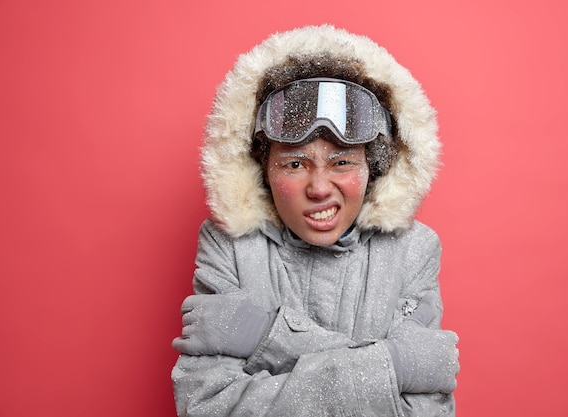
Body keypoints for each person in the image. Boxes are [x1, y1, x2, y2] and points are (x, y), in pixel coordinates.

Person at [171, 25, 459, 417]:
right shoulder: (231, 246)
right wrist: (398, 366)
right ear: (263, 172)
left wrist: (264, 335)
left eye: (342, 162)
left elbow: (425, 412)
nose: (320, 188)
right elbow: (206, 406)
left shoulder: (415, 250)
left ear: (373, 169)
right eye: (294, 164)